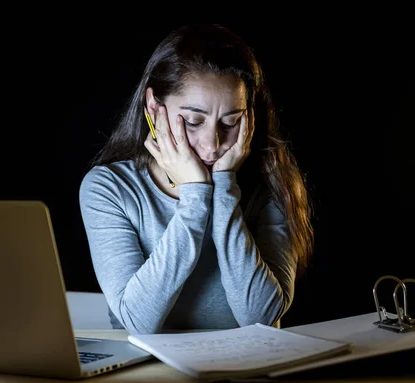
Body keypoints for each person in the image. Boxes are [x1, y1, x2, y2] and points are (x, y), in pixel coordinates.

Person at [79, 24, 314, 334]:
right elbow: (135, 322)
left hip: (246, 373)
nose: (212, 144)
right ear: (154, 107)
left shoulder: (272, 182)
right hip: (144, 376)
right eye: (193, 121)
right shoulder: (109, 188)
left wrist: (224, 189)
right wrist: (195, 196)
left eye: (230, 122)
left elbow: (261, 317)